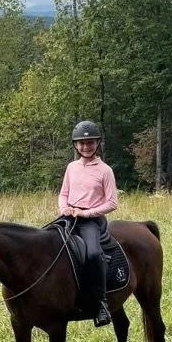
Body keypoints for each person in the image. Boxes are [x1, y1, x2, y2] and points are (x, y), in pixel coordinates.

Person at [58, 120, 118, 326]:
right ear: (75, 145)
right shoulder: (71, 167)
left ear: (97, 143)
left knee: (93, 254)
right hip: (69, 217)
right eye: (81, 143)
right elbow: (64, 193)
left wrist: (87, 213)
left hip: (91, 221)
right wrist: (64, 208)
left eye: (90, 143)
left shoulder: (105, 171)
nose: (86, 147)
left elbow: (112, 202)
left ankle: (101, 303)